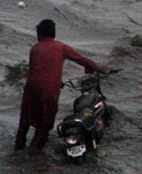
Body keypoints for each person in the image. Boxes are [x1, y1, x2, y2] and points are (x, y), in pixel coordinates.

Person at [15, 20, 111, 154]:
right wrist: (101, 69)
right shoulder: (61, 47)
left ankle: (18, 151)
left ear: (40, 35)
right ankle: (34, 156)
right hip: (49, 91)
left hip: (31, 89)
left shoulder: (35, 49)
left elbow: (37, 71)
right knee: (44, 127)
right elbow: (82, 60)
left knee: (24, 124)